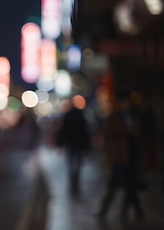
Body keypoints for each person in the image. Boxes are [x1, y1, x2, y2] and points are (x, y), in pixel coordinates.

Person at [97, 91, 145, 220]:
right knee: (115, 184)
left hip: (131, 155)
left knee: (131, 185)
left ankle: (133, 211)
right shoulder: (114, 117)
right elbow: (108, 133)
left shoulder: (133, 116)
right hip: (119, 156)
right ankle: (105, 210)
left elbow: (138, 132)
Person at [56, 96, 91, 195]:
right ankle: (75, 182)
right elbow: (85, 132)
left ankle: (73, 183)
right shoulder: (80, 115)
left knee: (71, 164)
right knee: (77, 165)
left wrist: (60, 144)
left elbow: (63, 132)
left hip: (71, 144)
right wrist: (86, 147)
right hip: (78, 144)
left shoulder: (67, 115)